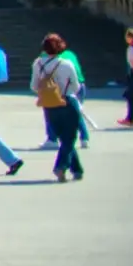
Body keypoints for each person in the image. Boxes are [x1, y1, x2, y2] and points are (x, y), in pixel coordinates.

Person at [31, 33, 83, 183]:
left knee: (64, 138)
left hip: (49, 105)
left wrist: (48, 90)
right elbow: (76, 86)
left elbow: (34, 86)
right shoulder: (66, 64)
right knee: (70, 138)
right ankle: (60, 167)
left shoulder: (38, 64)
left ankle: (77, 169)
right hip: (67, 102)